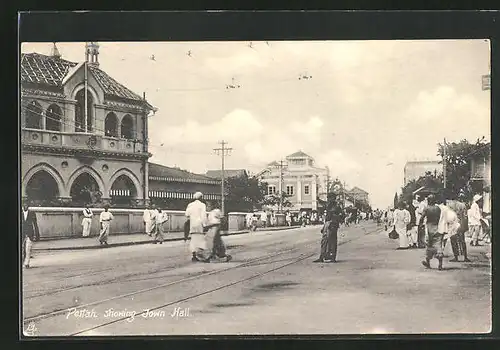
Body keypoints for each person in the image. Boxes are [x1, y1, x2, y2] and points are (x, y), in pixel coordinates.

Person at [419, 195, 444, 270]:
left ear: (429, 201)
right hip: (437, 227)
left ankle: (428, 263)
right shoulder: (438, 208)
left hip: (429, 227)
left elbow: (422, 218)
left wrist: (420, 225)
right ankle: (440, 264)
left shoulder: (426, 208)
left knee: (429, 246)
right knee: (438, 245)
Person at [185, 192, 210, 262]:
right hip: (199, 224)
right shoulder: (202, 205)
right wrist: (205, 225)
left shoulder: (190, 205)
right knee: (201, 240)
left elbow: (186, 214)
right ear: (201, 198)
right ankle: (205, 256)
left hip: (192, 225)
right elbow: (203, 216)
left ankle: (194, 256)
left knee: (193, 240)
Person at [446, 192, 471, 262]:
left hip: (453, 225)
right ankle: (465, 257)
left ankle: (456, 257)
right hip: (461, 224)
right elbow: (465, 216)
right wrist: (465, 227)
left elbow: (448, 216)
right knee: (462, 241)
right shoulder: (462, 205)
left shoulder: (449, 205)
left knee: (453, 241)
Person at [21, 203, 40, 269]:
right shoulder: (20, 213)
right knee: (22, 249)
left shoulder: (32, 213)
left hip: (30, 233)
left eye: (26, 205)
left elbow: (35, 224)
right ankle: (22, 262)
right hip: (22, 233)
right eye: (24, 205)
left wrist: (37, 234)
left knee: (28, 249)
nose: (25, 206)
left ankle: (26, 263)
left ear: (28, 206)